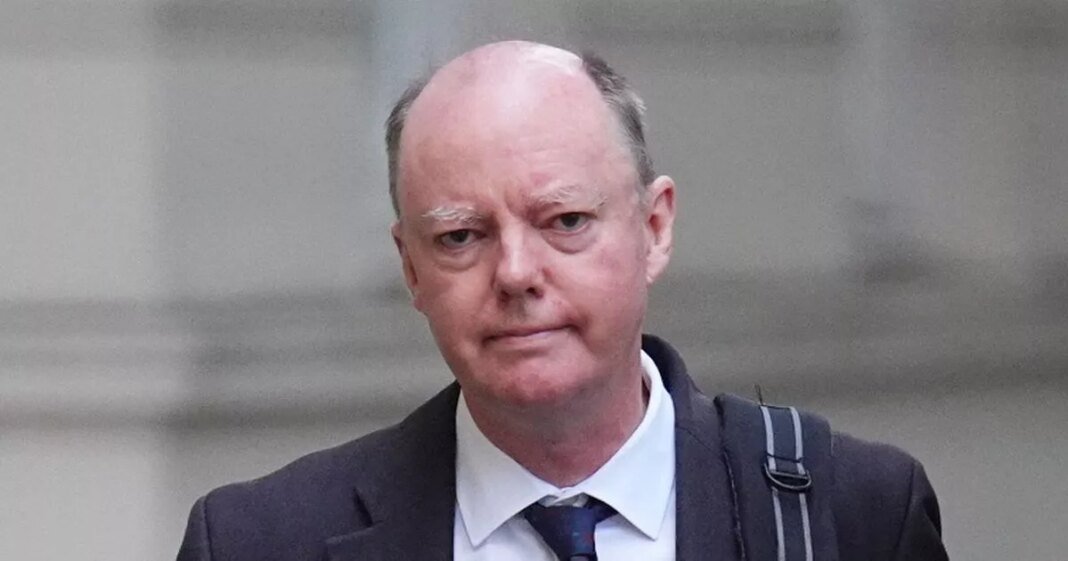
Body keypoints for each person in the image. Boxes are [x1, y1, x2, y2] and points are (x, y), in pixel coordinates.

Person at [177, 41, 948, 561]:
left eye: (565, 221)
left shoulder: (854, 514)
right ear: (410, 267)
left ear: (654, 228)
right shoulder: (260, 541)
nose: (516, 272)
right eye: (460, 236)